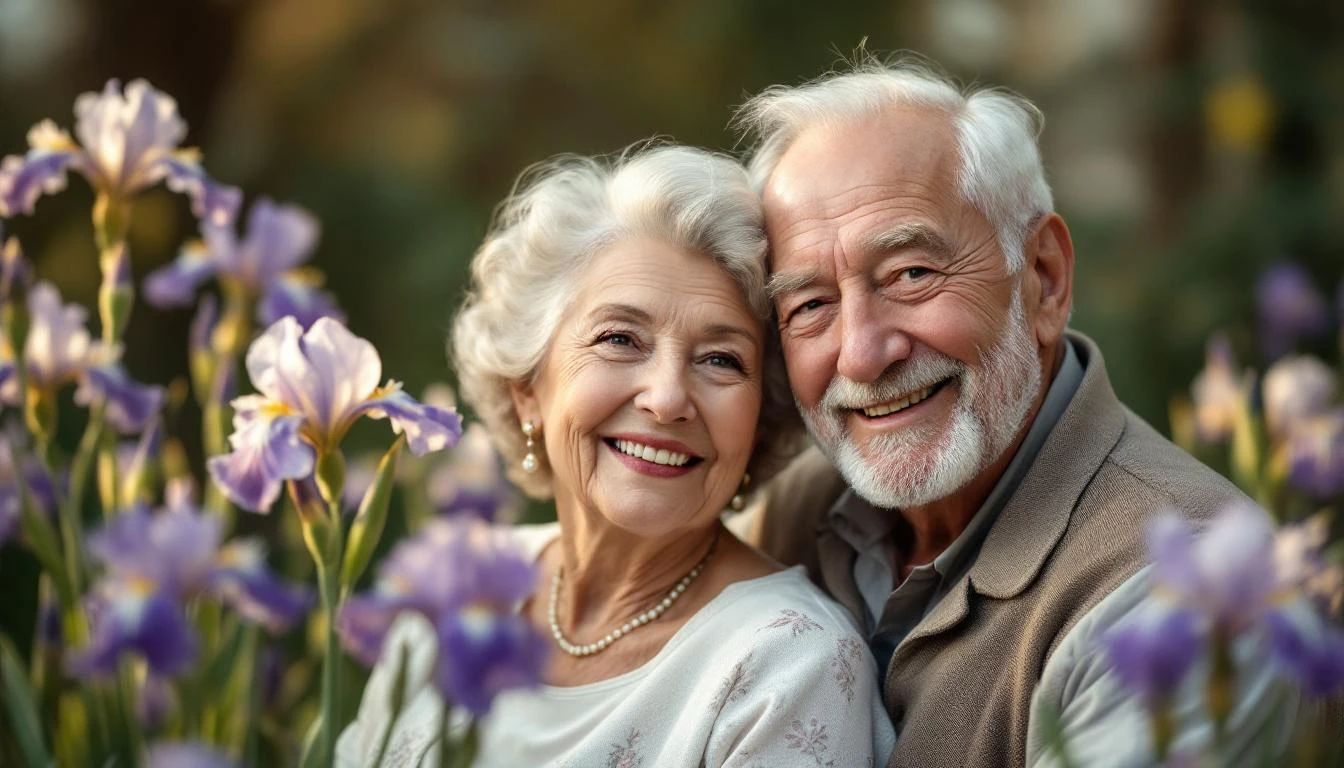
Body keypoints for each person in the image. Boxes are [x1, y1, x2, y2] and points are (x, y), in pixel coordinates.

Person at [732, 59, 1297, 767]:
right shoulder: (796, 517)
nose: (862, 355)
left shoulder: (1190, 590)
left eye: (911, 273)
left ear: (1043, 278)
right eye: (809, 305)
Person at [335, 144, 896, 766]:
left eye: (721, 359)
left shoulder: (787, 664)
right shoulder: (455, 588)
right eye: (620, 339)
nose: (667, 399)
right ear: (527, 390)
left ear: (758, 424)